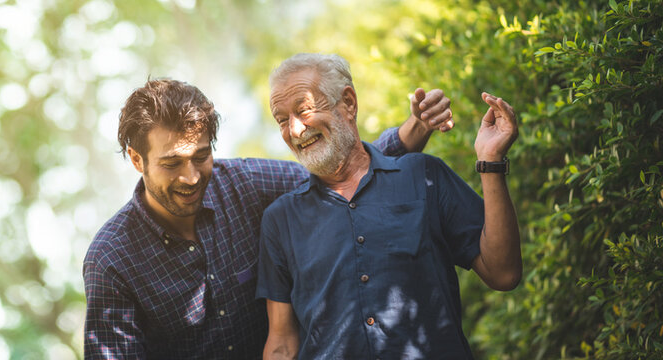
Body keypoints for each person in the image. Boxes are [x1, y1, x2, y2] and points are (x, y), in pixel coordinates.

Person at [83, 78, 454, 359]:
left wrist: (412, 131)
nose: (192, 176)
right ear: (136, 160)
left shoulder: (247, 184)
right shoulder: (111, 260)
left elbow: (338, 176)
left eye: (200, 156)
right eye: (171, 164)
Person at [256, 53, 521, 360]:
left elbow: (503, 274)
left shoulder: (423, 176)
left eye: (304, 111)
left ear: (348, 103)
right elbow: (282, 343)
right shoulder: (280, 220)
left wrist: (490, 162)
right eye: (282, 120)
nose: (295, 130)